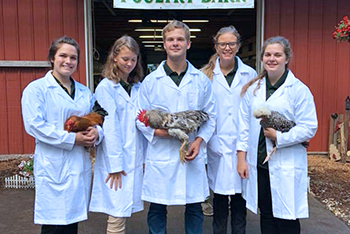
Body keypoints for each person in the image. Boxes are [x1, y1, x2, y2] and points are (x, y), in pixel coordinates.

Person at [136, 20, 216, 234]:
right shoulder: (151, 82)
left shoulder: (201, 81)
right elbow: (138, 118)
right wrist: (160, 132)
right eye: (170, 39)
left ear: (188, 44)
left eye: (180, 39)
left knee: (194, 206)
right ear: (164, 44)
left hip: (192, 153)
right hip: (161, 154)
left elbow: (211, 116)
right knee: (157, 206)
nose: (175, 43)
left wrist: (199, 142)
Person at [21, 36, 103, 234]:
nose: (68, 61)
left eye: (73, 57)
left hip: (78, 163)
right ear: (52, 58)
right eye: (63, 56)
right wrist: (73, 139)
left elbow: (98, 117)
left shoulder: (84, 91)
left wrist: (96, 133)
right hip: (54, 163)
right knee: (54, 224)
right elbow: (34, 125)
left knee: (72, 222)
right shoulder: (37, 89)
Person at [236, 36, 318, 234]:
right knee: (267, 214)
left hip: (286, 162)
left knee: (287, 216)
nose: (272, 59)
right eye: (268, 54)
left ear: (286, 58)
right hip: (259, 163)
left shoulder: (298, 90)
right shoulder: (253, 89)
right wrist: (241, 158)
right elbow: (243, 125)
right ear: (262, 58)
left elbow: (309, 127)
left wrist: (279, 137)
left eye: (277, 55)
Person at [201, 26, 257, 234]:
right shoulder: (205, 75)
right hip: (216, 145)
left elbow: (253, 110)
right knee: (220, 200)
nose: (227, 47)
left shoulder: (249, 74)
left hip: (242, 145)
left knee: (240, 201)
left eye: (231, 43)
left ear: (238, 46)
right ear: (216, 46)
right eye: (222, 44)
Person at [89, 35, 145, 234]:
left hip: (134, 155)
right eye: (125, 59)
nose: (129, 63)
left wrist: (144, 157)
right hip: (116, 161)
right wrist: (115, 165)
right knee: (116, 211)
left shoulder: (136, 87)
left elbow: (141, 124)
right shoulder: (106, 87)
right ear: (114, 58)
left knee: (122, 209)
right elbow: (110, 127)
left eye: (133, 59)